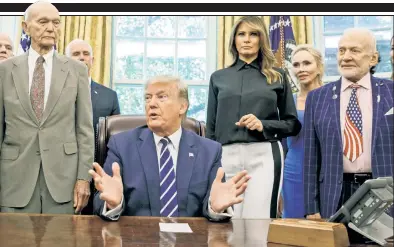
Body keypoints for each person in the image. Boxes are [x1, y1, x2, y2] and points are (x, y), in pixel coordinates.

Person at [90, 75, 250, 221]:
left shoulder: (209, 151)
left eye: (162, 97)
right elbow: (102, 198)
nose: (151, 104)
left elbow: (217, 198)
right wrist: (113, 204)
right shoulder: (122, 145)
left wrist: (214, 208)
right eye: (147, 98)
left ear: (182, 107)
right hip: (137, 239)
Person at [0, 1, 94, 214]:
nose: (51, 28)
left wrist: (83, 179)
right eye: (43, 22)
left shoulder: (77, 70)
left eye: (56, 23)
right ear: (25, 27)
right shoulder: (5, 71)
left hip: (63, 181)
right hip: (14, 180)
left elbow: (85, 131)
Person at [206, 16, 301, 219]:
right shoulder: (218, 77)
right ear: (234, 40)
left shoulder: (278, 75)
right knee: (228, 220)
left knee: (260, 222)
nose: (247, 39)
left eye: (253, 34)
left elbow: (292, 124)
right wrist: (210, 162)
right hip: (225, 155)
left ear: (262, 39)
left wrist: (263, 124)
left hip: (264, 155)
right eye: (241, 34)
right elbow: (211, 128)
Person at [304, 28, 393, 220]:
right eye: (341, 50)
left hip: (384, 194)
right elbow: (311, 157)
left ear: (373, 58)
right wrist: (311, 208)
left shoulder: (391, 93)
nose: (346, 57)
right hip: (334, 195)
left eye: (355, 50)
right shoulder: (317, 98)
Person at [282, 45, 323, 218]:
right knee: (293, 229)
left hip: (324, 171)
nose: (301, 69)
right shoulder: (287, 102)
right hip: (293, 171)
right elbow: (281, 145)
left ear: (319, 66)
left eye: (307, 63)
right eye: (296, 64)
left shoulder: (333, 98)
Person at [65, 39, 120, 136]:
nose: (82, 57)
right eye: (76, 54)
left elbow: (116, 135)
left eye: (86, 54)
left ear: (92, 60)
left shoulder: (110, 96)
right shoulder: (55, 92)